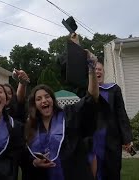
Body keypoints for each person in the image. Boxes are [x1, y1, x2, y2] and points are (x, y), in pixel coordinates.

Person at [24, 48, 99, 180]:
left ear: (52, 100)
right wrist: (35, 162)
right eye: (39, 99)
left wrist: (91, 68)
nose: (44, 100)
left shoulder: (70, 115)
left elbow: (91, 97)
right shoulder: (32, 127)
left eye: (47, 96)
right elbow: (27, 157)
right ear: (34, 104)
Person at [88, 61, 133, 180]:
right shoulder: (86, 92)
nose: (97, 71)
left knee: (112, 171)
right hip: (92, 141)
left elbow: (121, 114)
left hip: (111, 140)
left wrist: (127, 138)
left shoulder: (113, 89)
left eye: (100, 69)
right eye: (95, 69)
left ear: (103, 72)